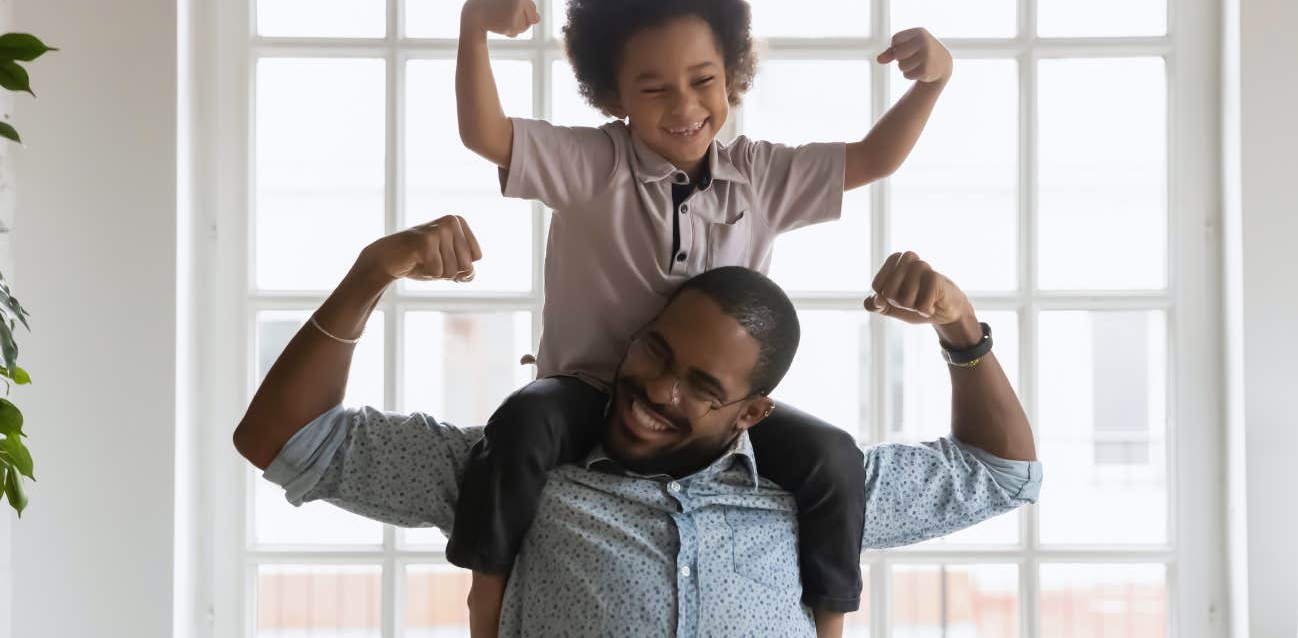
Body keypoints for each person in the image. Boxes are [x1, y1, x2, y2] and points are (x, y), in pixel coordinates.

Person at [454, 0, 954, 634]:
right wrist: (474, 25)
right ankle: (485, 600)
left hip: (716, 413)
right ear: (613, 91)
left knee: (834, 456)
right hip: (593, 395)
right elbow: (485, 133)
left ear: (732, 76)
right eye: (654, 88)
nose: (684, 105)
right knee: (521, 423)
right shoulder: (591, 164)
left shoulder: (762, 175)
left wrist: (931, 83)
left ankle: (831, 624)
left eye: (704, 79)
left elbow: (872, 157)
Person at [233, 215, 1042, 637]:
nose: (655, 387)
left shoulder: (815, 490)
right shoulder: (519, 468)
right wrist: (373, 273)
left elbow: (1003, 473)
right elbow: (282, 437)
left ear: (751, 412)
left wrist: (961, 328)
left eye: (699, 385)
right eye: (655, 350)